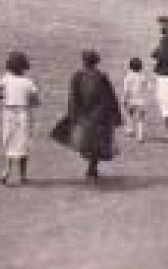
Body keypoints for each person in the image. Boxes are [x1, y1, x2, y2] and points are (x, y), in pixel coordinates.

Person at [61, 49, 123, 180]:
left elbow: (73, 97)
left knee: (87, 142)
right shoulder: (101, 76)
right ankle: (92, 168)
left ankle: (91, 169)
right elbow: (110, 97)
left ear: (83, 61)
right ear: (96, 62)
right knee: (97, 144)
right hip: (99, 115)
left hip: (84, 114)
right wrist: (116, 115)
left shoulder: (77, 76)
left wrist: (72, 115)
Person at [0, 51, 41, 186]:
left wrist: (4, 97)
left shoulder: (5, 79)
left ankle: (6, 170)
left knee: (10, 141)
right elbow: (36, 101)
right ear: (24, 66)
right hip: (23, 112)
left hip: (8, 112)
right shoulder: (28, 82)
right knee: (23, 143)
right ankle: (23, 175)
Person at [122, 56, 154, 143]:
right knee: (141, 118)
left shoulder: (128, 77)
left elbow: (126, 90)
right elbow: (149, 87)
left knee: (130, 114)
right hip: (141, 100)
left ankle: (130, 129)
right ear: (141, 67)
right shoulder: (142, 76)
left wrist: (124, 99)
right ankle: (140, 136)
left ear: (130, 67)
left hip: (131, 99)